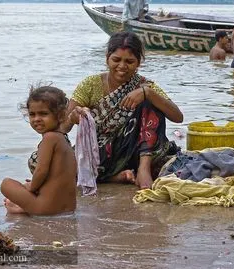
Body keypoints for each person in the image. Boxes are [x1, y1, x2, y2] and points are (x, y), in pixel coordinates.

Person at [61, 31, 184, 190]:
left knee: (150, 102)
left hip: (137, 152)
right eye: (116, 60)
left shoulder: (144, 84)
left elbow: (178, 117)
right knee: (41, 162)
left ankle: (143, 169)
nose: (122, 66)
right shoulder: (90, 84)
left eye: (129, 61)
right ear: (107, 58)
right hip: (102, 153)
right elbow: (63, 127)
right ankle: (115, 176)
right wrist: (73, 117)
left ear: (139, 63)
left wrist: (148, 93)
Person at [1, 85, 77, 215]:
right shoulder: (64, 140)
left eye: (43, 114)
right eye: (32, 114)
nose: (37, 119)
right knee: (28, 186)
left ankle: (25, 208)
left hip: (46, 209)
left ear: (61, 115)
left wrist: (31, 188)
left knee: (6, 184)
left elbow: (41, 171)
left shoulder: (49, 138)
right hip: (69, 208)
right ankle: (28, 205)